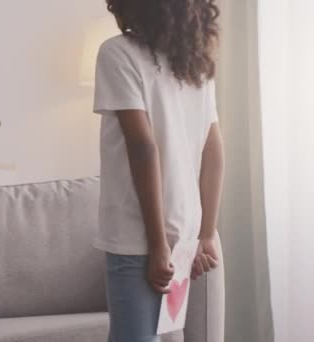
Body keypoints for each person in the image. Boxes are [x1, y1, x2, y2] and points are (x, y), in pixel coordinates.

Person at [93, 0, 224, 341]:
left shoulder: (117, 53)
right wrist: (205, 234)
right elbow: (214, 151)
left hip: (139, 236)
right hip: (184, 230)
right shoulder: (196, 63)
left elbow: (143, 148)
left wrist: (157, 245)